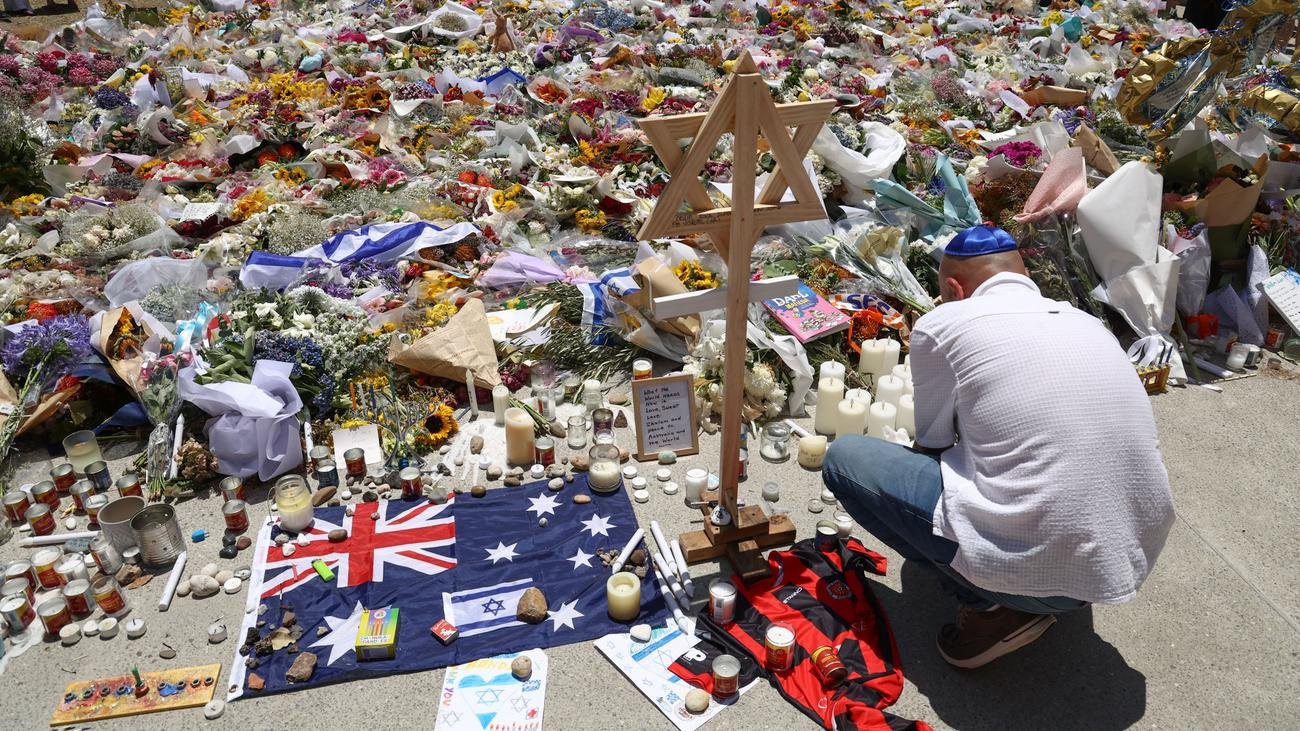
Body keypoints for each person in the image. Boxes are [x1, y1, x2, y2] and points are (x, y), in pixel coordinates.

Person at [823, 225, 1174, 669]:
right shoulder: (1087, 322)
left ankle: (996, 607)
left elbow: (932, 441)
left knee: (846, 461)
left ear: (954, 287)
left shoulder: (945, 321)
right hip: (1121, 558)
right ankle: (1043, 587)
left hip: (1045, 565)